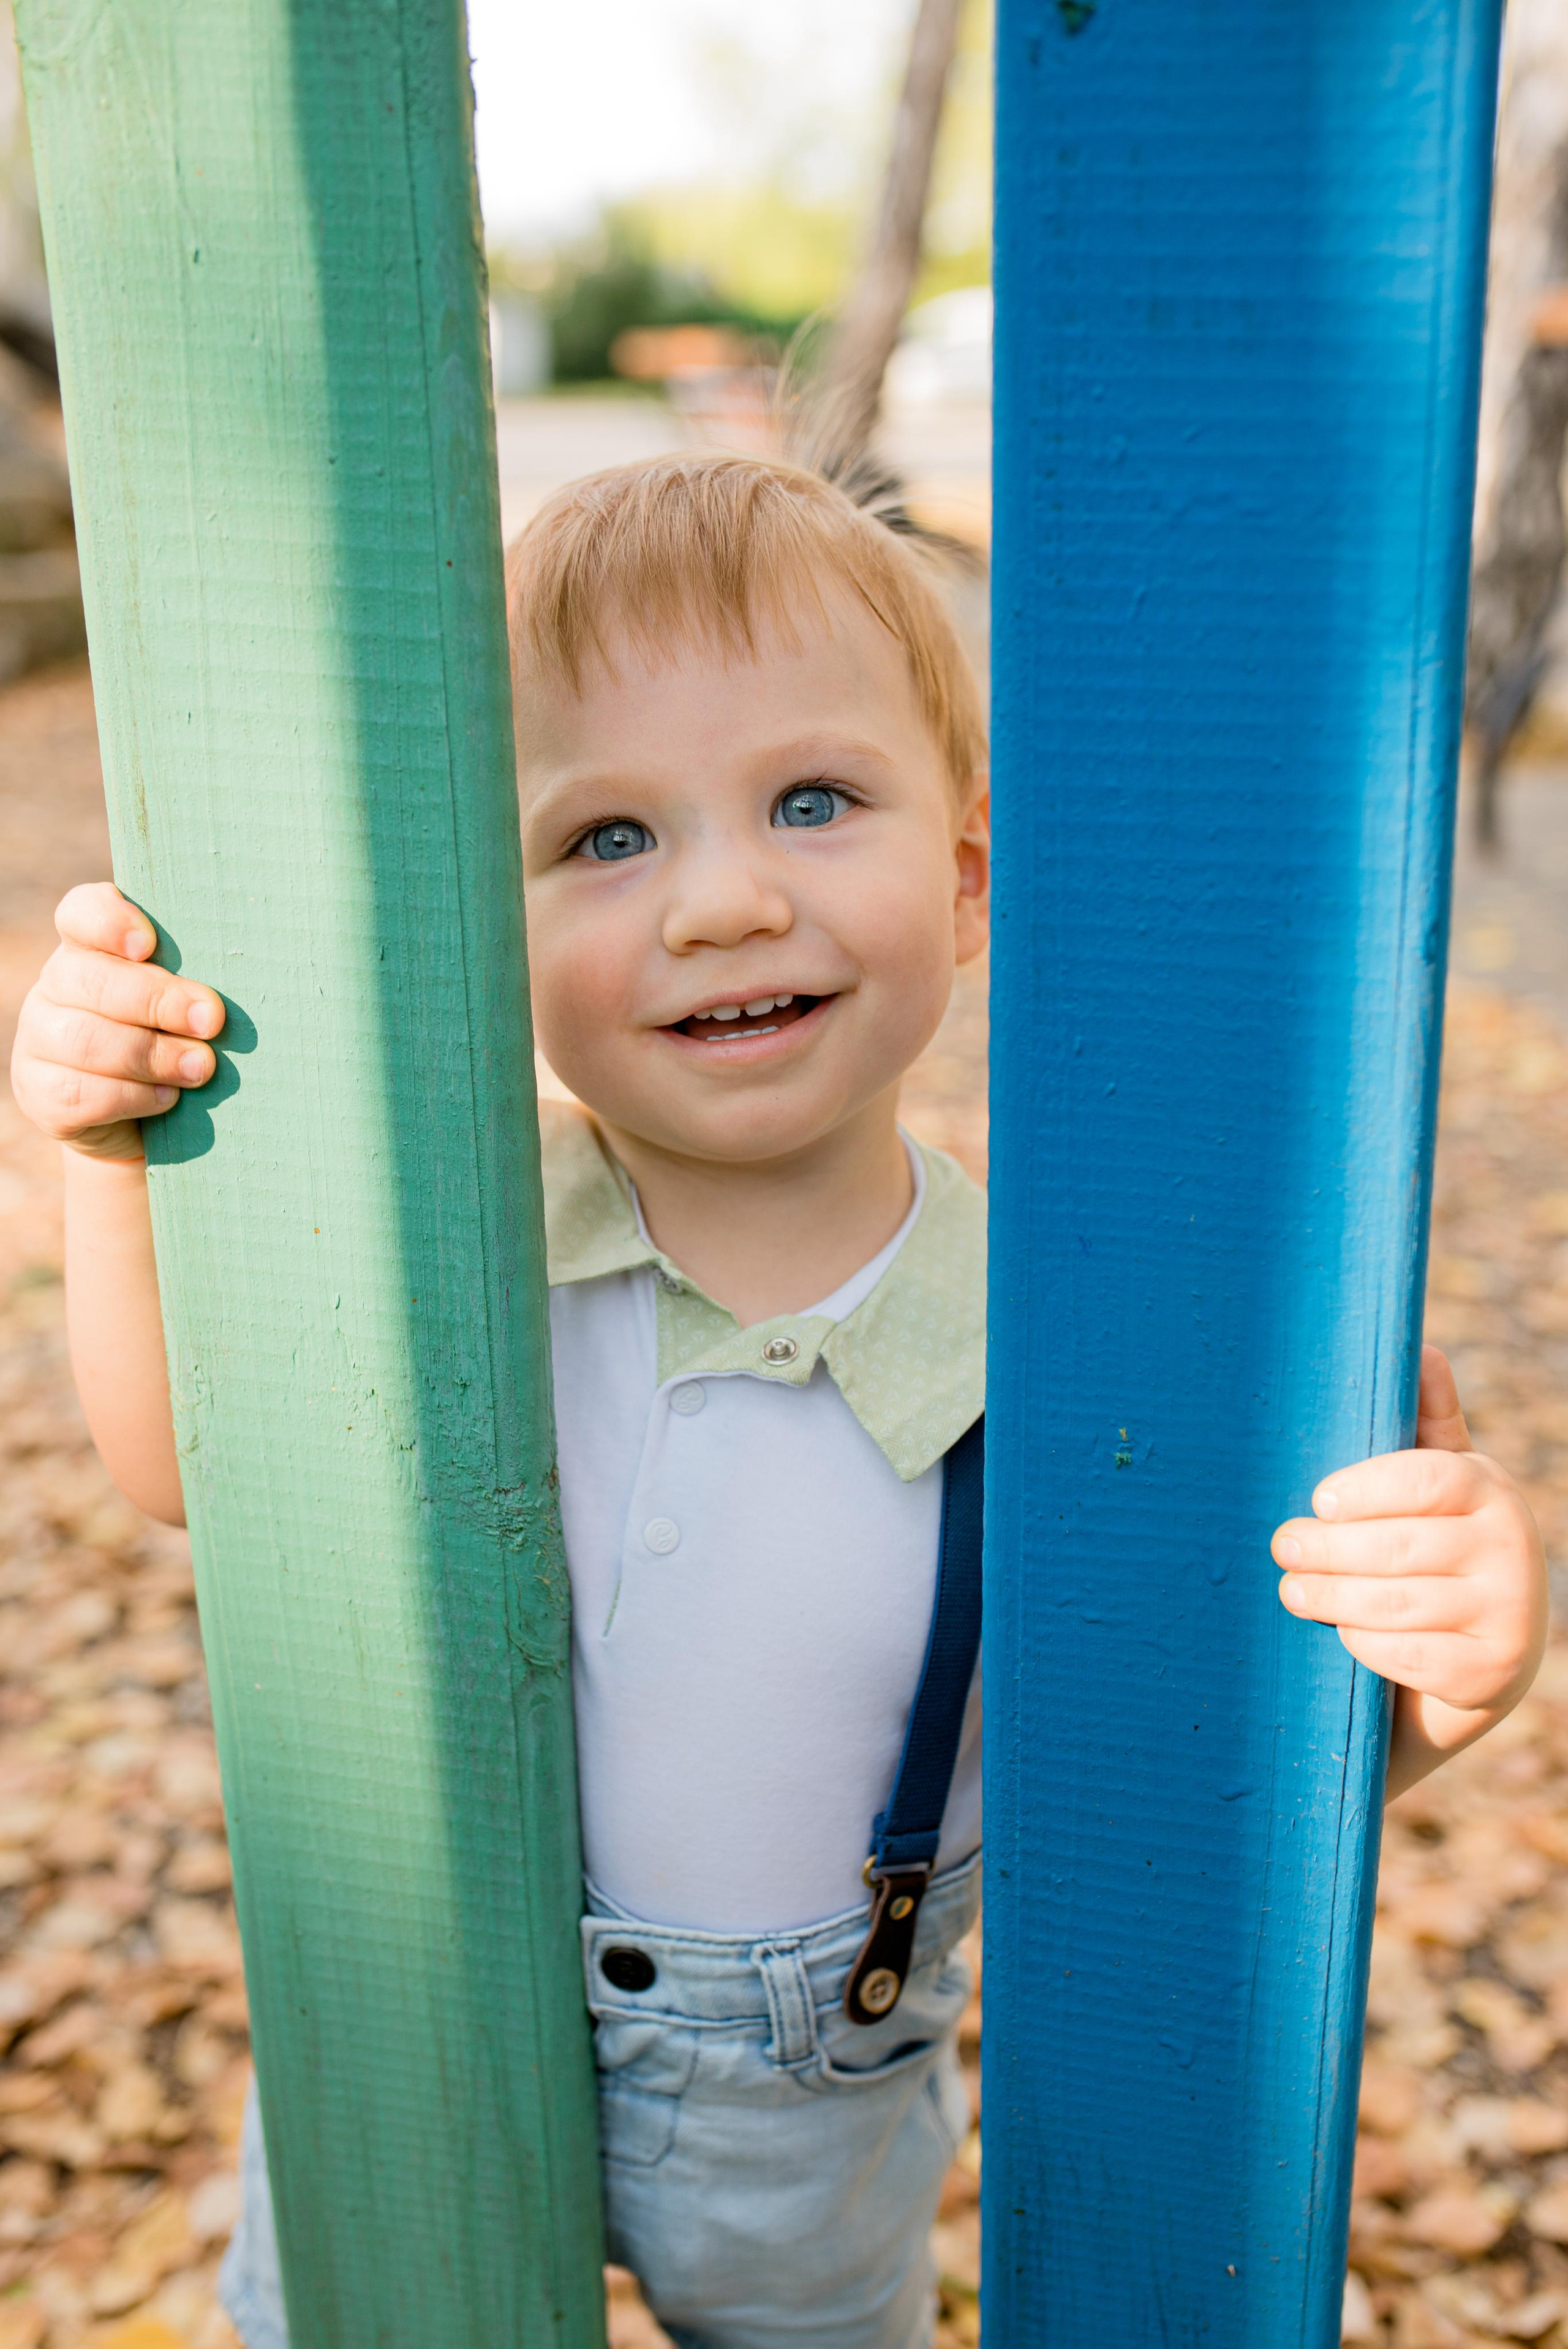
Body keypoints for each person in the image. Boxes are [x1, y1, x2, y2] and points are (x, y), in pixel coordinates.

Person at [9, 452, 1549, 2349]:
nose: (727, 902)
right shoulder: (453, 1253)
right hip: (424, 2003)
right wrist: (106, 1151)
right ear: (480, 925)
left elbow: (1198, 1767)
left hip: (806, 2100)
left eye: (811, 802)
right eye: (607, 839)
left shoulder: (1074, 1350)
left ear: (967, 876)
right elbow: (191, 1471)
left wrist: (1440, 1678)